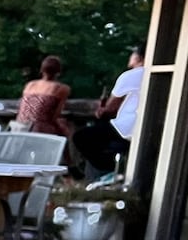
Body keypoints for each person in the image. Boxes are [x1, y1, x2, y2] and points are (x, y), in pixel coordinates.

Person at [73, 47, 145, 177]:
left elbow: (110, 109)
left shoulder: (131, 75)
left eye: (133, 54)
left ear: (138, 57)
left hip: (125, 129)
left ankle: (111, 170)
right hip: (146, 129)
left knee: (81, 137)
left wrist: (102, 109)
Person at [15, 55, 73, 136]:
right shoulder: (61, 89)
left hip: (19, 128)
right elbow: (54, 116)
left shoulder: (30, 85)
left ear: (42, 70)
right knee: (65, 131)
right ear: (58, 72)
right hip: (39, 131)